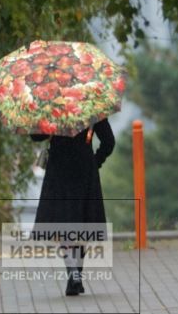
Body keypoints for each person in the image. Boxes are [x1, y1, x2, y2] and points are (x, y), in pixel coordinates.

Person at [30, 118, 115, 296]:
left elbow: (36, 136)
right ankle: (76, 274)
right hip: (84, 168)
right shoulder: (91, 104)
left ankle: (73, 273)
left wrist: (46, 122)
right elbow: (109, 141)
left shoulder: (52, 106)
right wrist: (95, 161)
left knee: (64, 222)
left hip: (58, 169)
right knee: (81, 221)